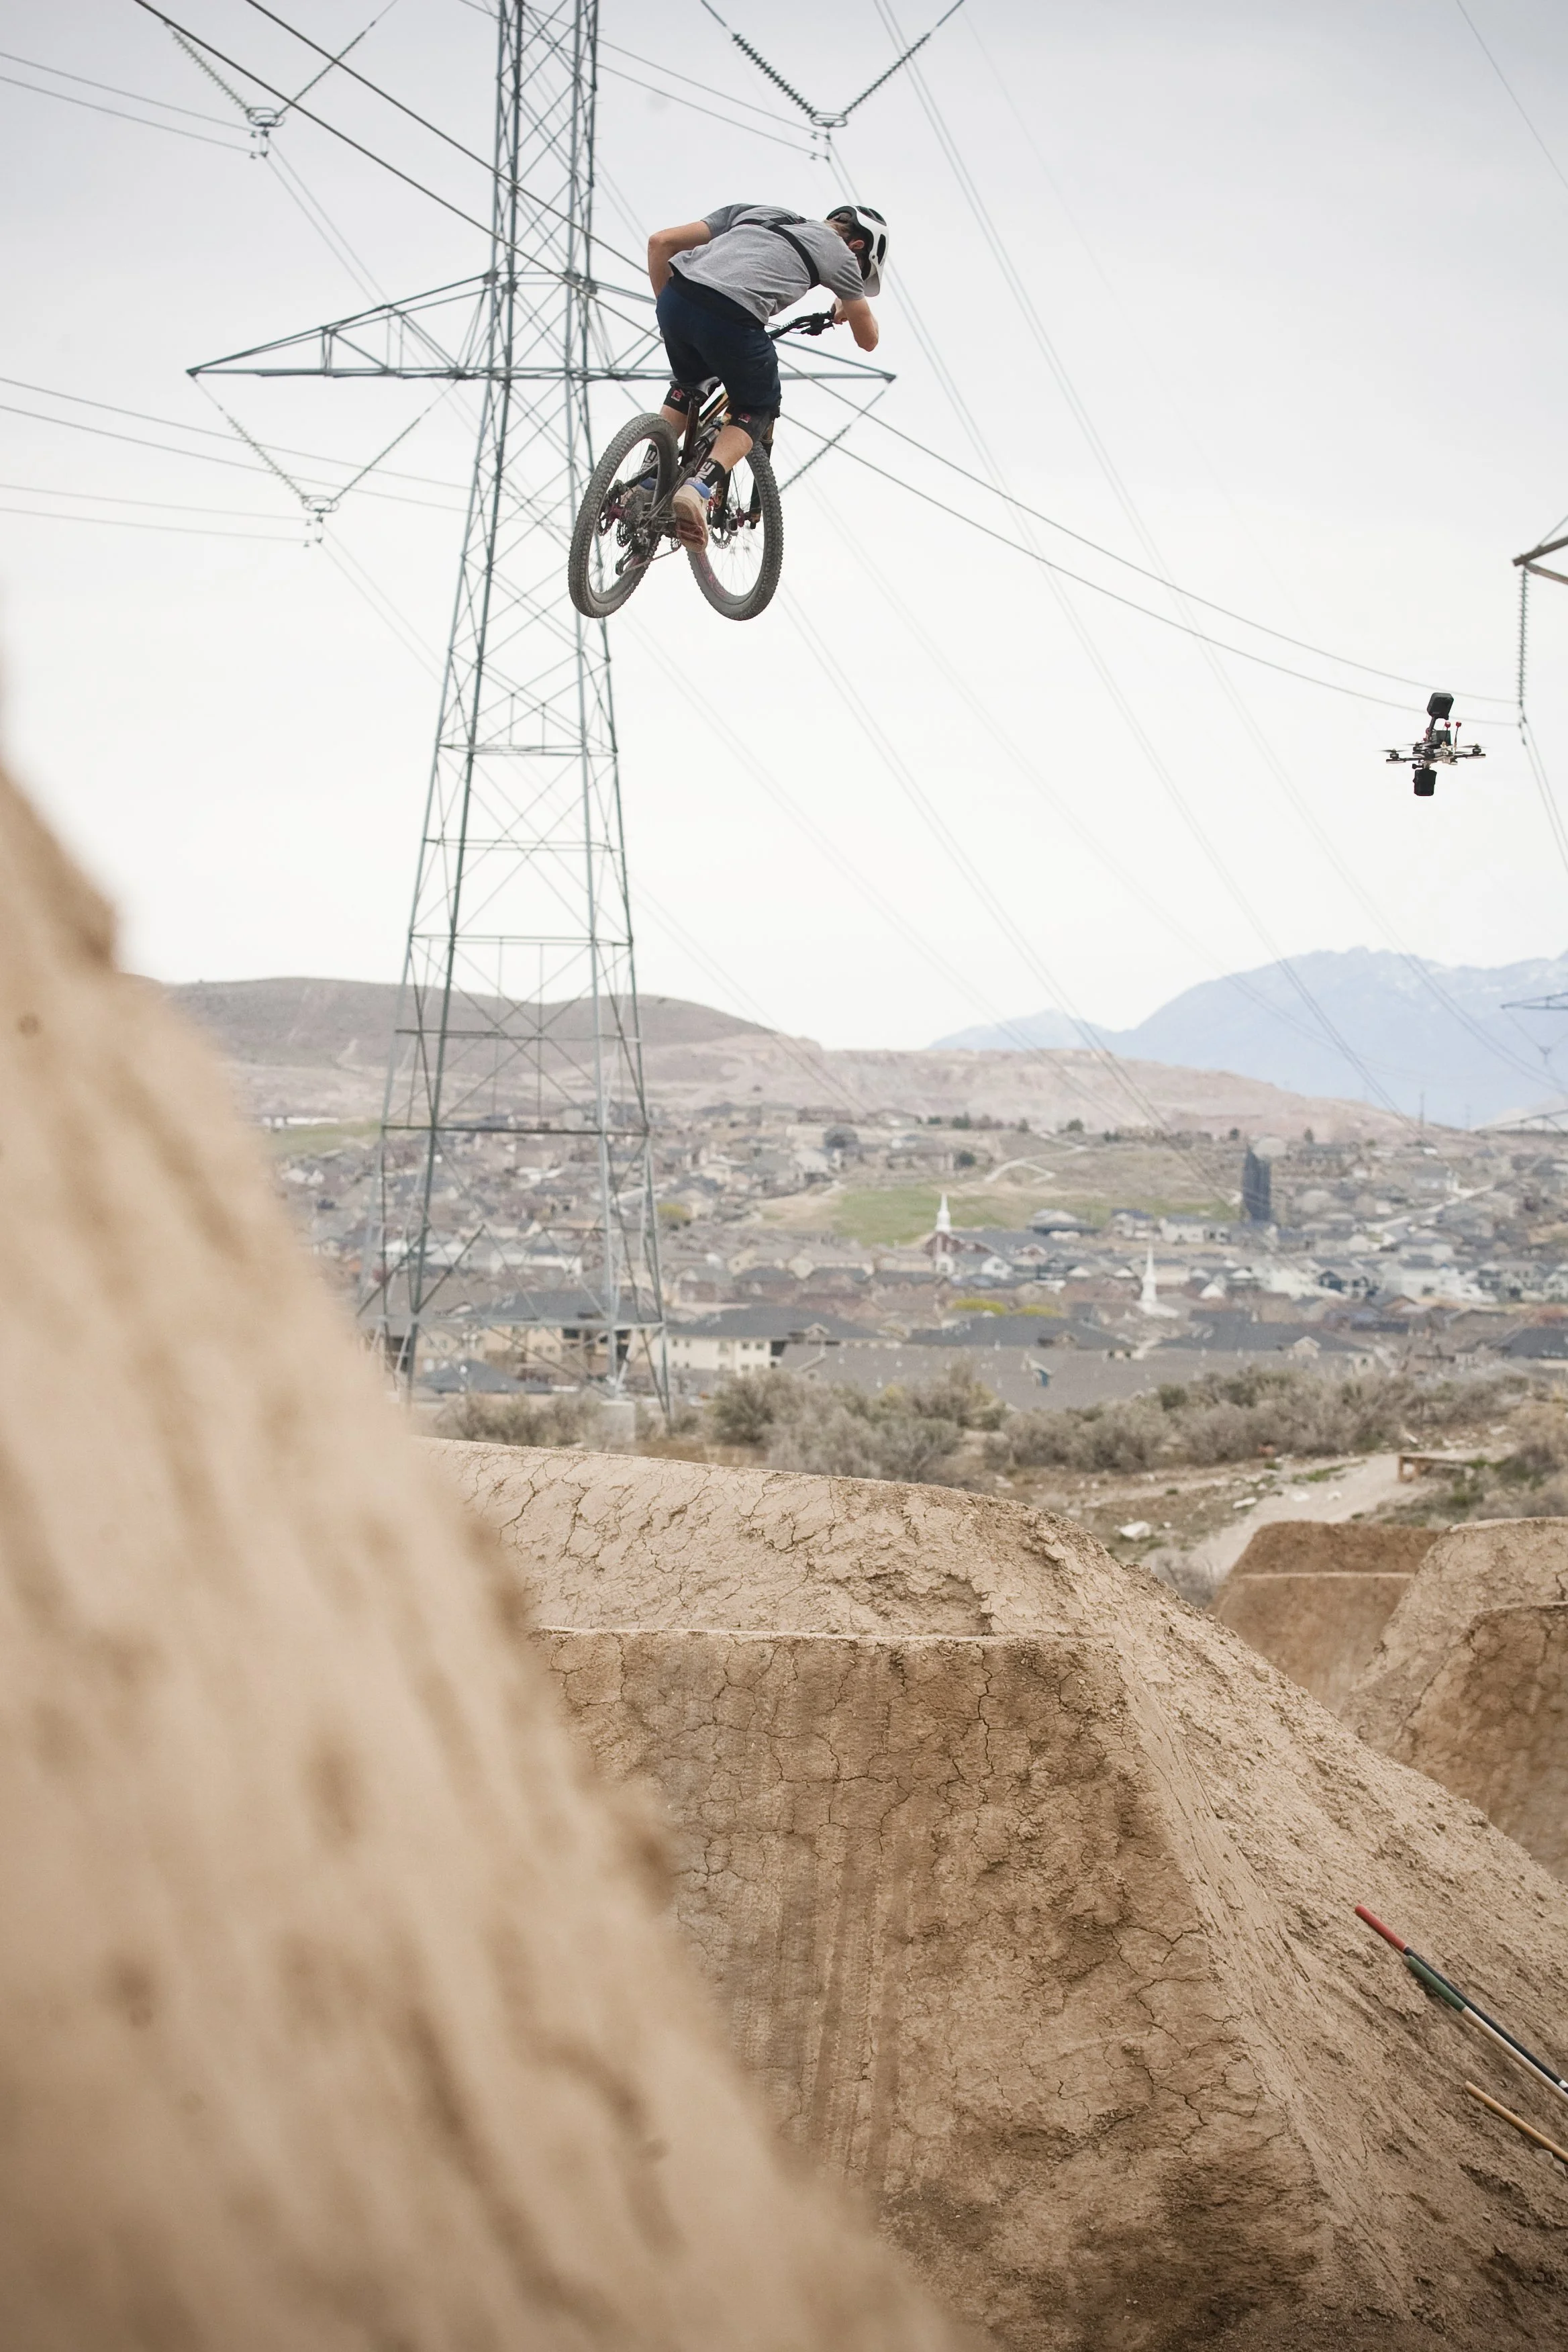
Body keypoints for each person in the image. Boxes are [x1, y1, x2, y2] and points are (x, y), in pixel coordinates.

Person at [646, 201, 887, 548]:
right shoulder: (843, 255)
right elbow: (869, 340)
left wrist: (671, 318)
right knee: (758, 406)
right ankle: (697, 489)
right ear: (859, 246)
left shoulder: (756, 212)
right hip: (733, 318)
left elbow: (660, 243)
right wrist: (849, 303)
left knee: (690, 383)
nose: (854, 274)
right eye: (861, 268)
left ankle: (645, 481)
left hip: (676, 299)